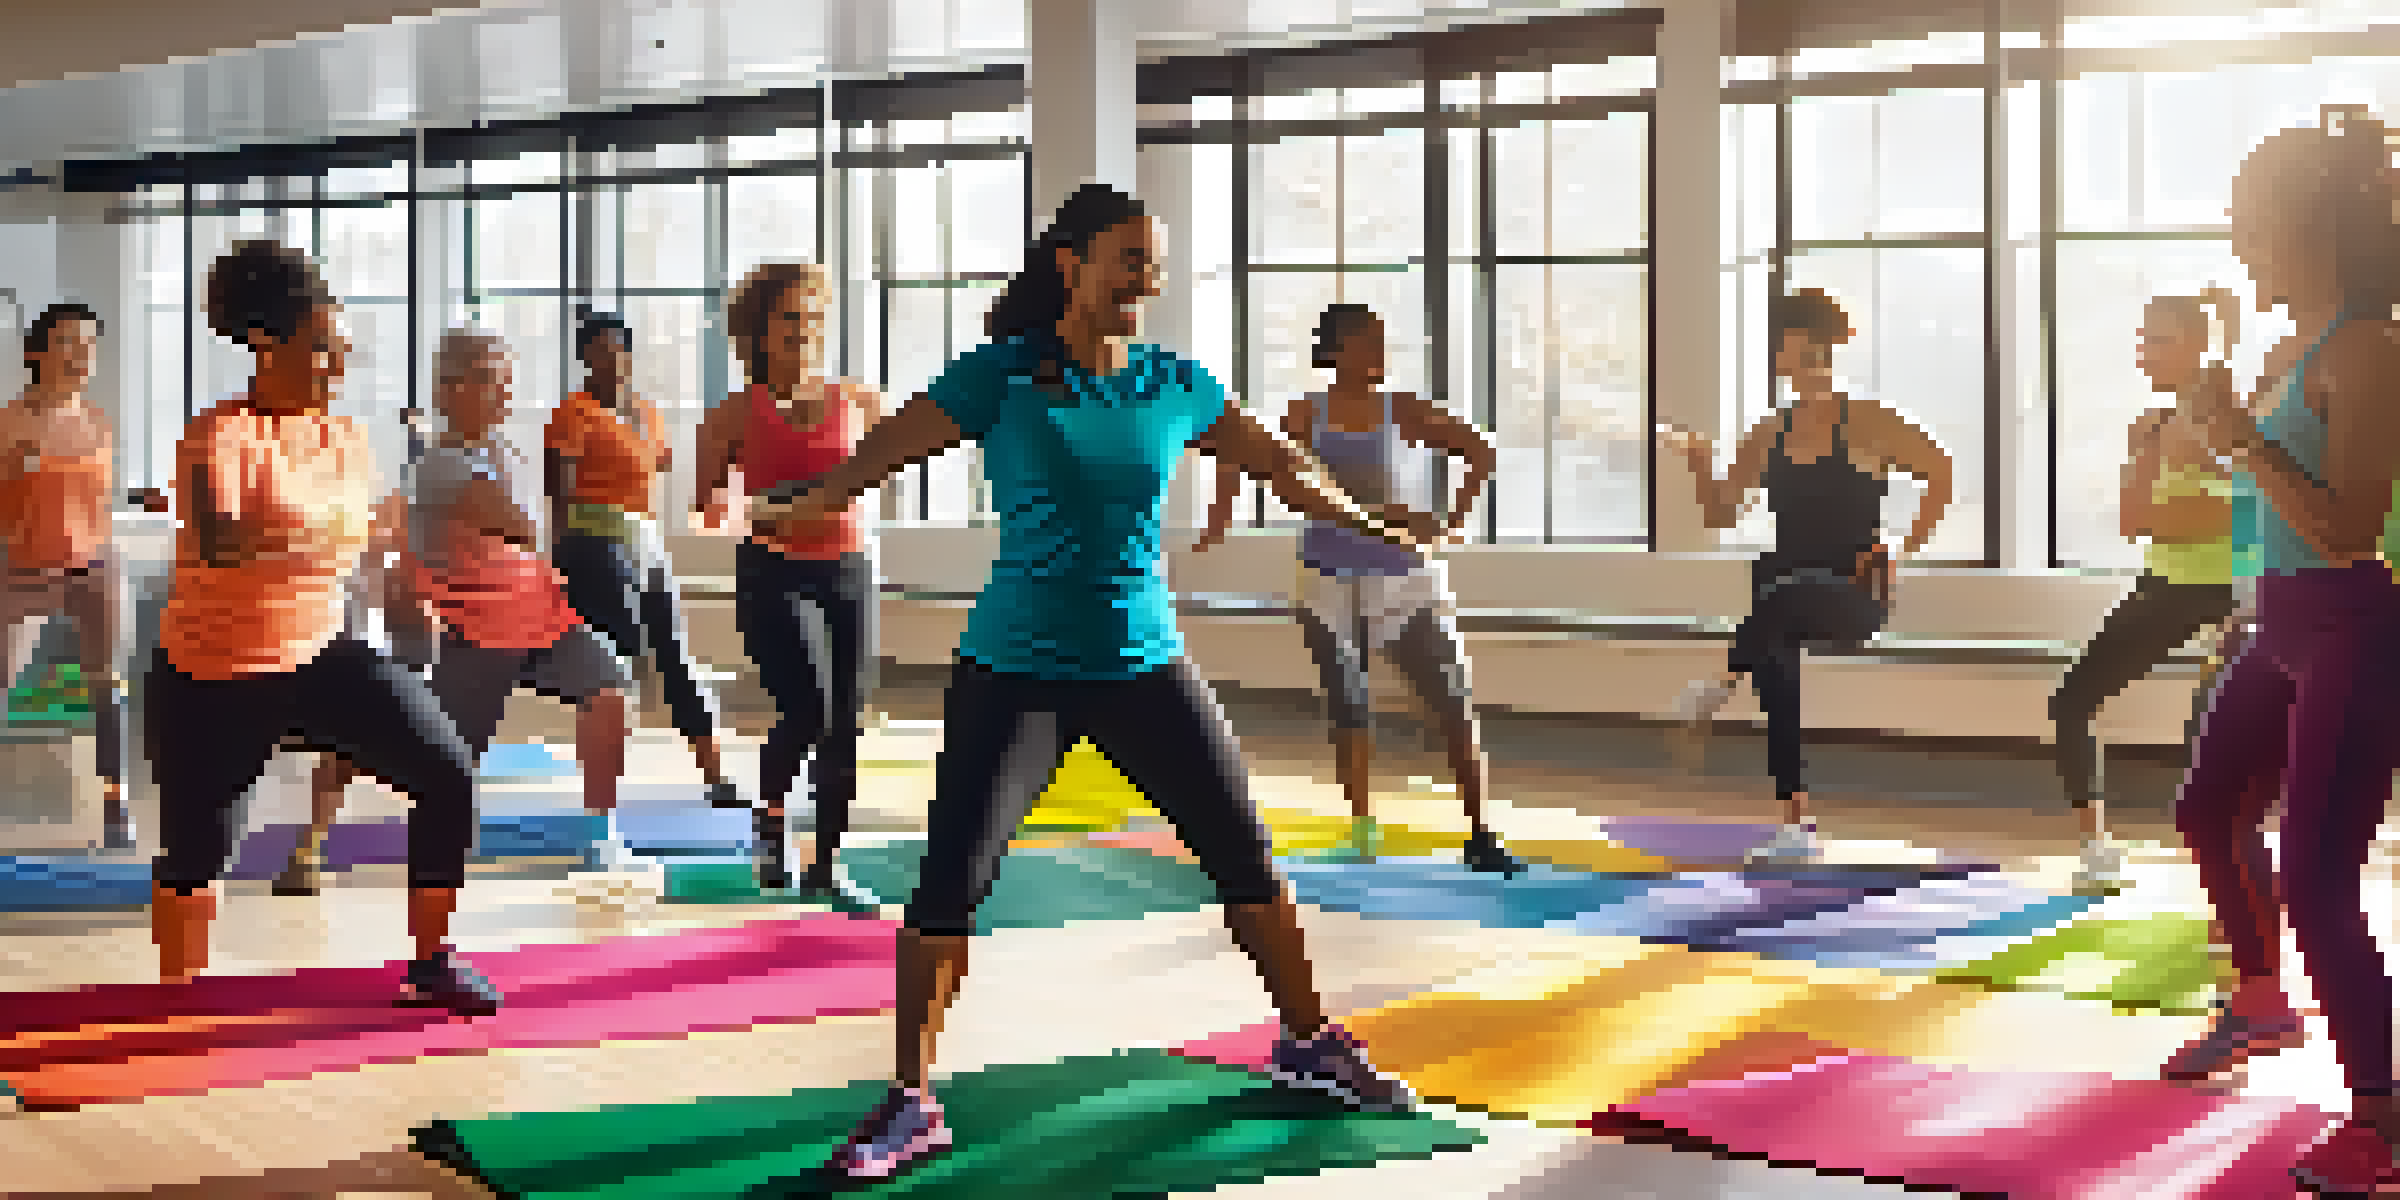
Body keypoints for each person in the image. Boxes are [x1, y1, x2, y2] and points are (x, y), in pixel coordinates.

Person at [755, 185, 1423, 1184]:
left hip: (1144, 665)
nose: (1145, 276)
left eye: (1154, 261)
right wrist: (813, 502)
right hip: (1014, 669)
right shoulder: (1004, 375)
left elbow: (1282, 463)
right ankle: (909, 1099)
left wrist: (1370, 523)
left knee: (1245, 856)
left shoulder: (1172, 383)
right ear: (1071, 265)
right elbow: (884, 454)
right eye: (1127, 257)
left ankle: (1310, 1042)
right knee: (950, 884)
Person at [2151, 106, 2400, 1197]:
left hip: (2354, 620)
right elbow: (2266, 501)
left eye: (2253, 222)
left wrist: (2241, 437)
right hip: (2279, 619)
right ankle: (2260, 1002)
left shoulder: (2367, 350)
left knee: (2317, 874)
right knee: (2207, 809)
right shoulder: (2286, 346)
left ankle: (2385, 1126)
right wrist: (2219, 434)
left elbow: (2349, 524)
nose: (2239, 244)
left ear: (2312, 227)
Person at [147, 241, 496, 1014]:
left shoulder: (345, 439)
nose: (338, 363)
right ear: (267, 344)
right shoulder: (220, 436)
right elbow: (219, 541)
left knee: (447, 773)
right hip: (215, 673)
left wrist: (416, 612)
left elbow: (372, 547)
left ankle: (431, 963)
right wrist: (330, 541)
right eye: (322, 348)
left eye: (341, 348)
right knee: (199, 853)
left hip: (317, 652)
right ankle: (175, 996)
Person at [273, 329, 639, 895]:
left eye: (506, 378)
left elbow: (530, 531)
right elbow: (520, 523)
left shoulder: (504, 454)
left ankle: (600, 833)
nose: (505, 393)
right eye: (492, 378)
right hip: (467, 631)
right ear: (451, 388)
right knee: (377, 739)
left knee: (610, 690)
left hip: (539, 618)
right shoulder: (437, 465)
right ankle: (309, 845)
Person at [1195, 302, 1518, 872]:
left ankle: (1481, 833)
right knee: (1349, 705)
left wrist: (1451, 521)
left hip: (1404, 580)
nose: (1379, 353)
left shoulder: (1405, 410)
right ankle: (1362, 828)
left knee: (1452, 701)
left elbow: (1480, 449)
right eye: (1369, 342)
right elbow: (1243, 454)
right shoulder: (1305, 413)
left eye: (1382, 342)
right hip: (1326, 580)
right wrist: (1220, 513)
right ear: (1338, 350)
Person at [1657, 288, 1954, 866]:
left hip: (1852, 594)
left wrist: (1904, 550)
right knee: (1779, 682)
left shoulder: (1869, 421)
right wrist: (1698, 460)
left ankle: (1717, 684)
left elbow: (1940, 472)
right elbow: (1721, 514)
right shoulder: (1769, 432)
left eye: (1784, 346)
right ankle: (1794, 827)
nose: (1778, 359)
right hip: (1779, 595)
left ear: (1812, 347)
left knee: (1787, 593)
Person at [2047, 288, 2244, 894]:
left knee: (2214, 733)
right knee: (2073, 701)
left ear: (2195, 346)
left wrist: (2186, 508)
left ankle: (2233, 876)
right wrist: (2179, 506)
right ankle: (2097, 849)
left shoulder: (2223, 413)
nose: (2144, 352)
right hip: (2165, 585)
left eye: (2159, 339)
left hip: (2231, 591)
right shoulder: (2151, 425)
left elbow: (2255, 508)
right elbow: (2134, 522)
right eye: (2143, 339)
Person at [696, 262, 883, 895]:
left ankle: (826, 863)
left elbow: (879, 473)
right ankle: (771, 825)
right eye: (788, 318)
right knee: (808, 709)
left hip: (847, 569)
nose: (803, 331)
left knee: (846, 722)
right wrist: (768, 507)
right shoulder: (730, 416)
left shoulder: (857, 403)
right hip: (773, 572)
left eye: (814, 318)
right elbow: (708, 508)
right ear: (758, 329)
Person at [547, 310, 738, 809]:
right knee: (620, 662)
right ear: (584, 358)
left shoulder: (648, 413)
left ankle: (717, 777)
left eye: (620, 349)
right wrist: (557, 555)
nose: (612, 359)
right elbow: (558, 491)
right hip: (593, 545)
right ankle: (604, 797)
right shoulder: (575, 411)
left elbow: (660, 465)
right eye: (600, 350)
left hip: (645, 543)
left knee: (676, 656)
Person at [0, 303, 133, 850]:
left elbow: (91, 501)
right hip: (20, 564)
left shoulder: (97, 422)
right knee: (5, 680)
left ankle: (115, 803)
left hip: (90, 563)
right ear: (36, 352)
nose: (81, 355)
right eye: (67, 343)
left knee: (108, 683)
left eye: (89, 345)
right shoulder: (11, 419)